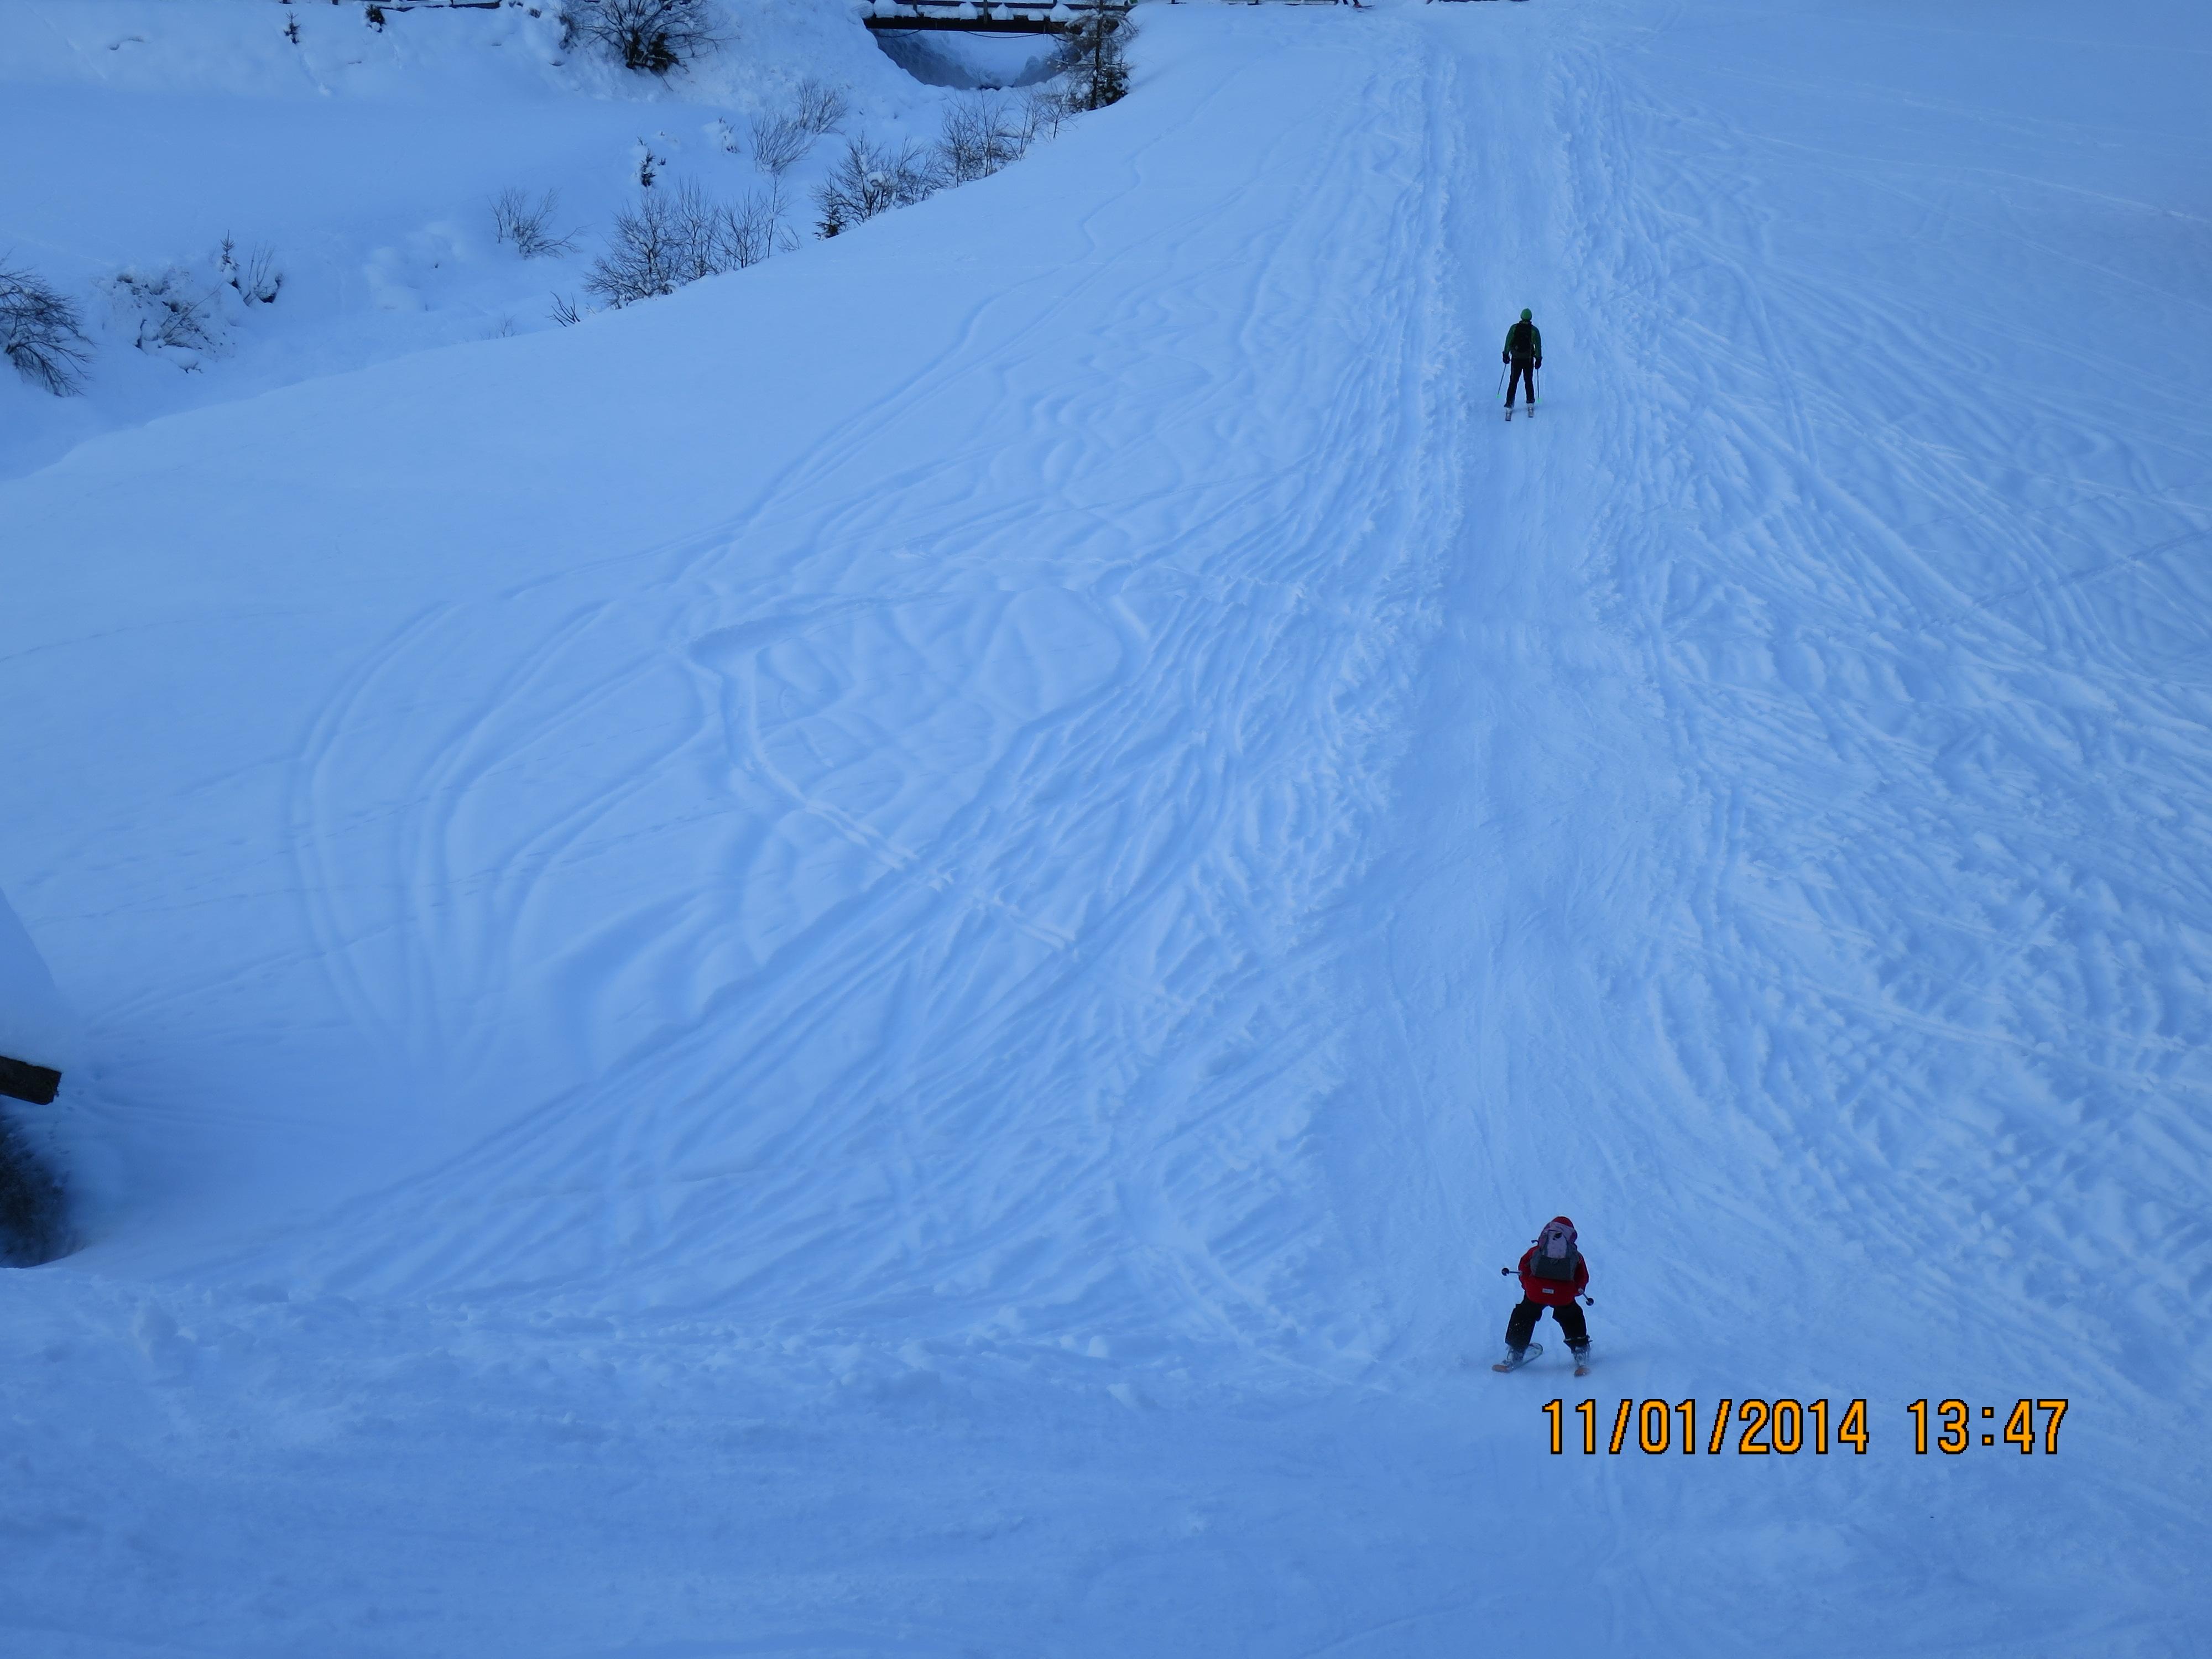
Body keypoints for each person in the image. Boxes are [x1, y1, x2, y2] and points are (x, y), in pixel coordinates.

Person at [1495, 1214, 1590, 1372]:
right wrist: (1571, 1292)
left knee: (1524, 1314)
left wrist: (1528, 1285)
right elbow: (1583, 1279)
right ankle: (1580, 1350)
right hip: (1563, 1295)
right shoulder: (1575, 1256)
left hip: (1535, 1292)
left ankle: (1516, 1352)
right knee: (1572, 1317)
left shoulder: (1536, 1250)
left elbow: (1524, 1268)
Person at [1502, 307, 1541, 419]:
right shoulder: (1534, 331)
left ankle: (1509, 404)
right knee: (1528, 381)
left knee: (1513, 381)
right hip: (1528, 360)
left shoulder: (1514, 328)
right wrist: (1538, 359)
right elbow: (1538, 346)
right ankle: (1530, 402)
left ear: (1521, 317)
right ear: (1530, 318)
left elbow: (1508, 341)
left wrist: (1506, 354)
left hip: (1516, 359)